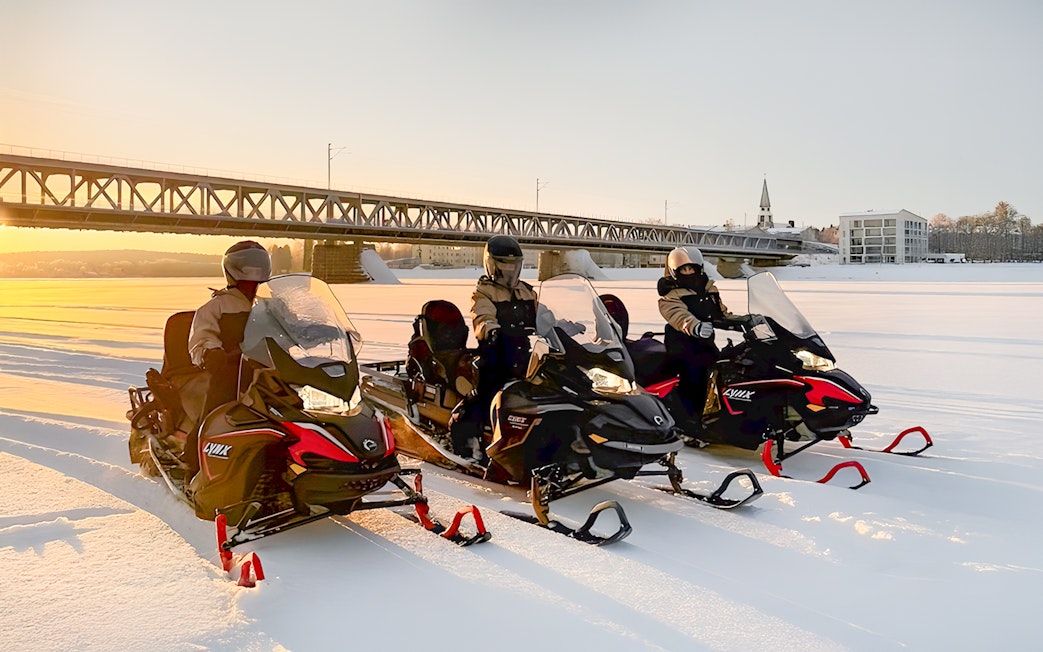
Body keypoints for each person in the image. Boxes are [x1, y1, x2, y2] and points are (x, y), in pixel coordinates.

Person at [449, 235, 537, 459]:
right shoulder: (484, 292)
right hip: (496, 353)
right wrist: (490, 329)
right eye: (503, 265)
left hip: (526, 354)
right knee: (486, 394)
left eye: (513, 266)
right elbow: (482, 315)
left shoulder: (527, 291)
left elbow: (543, 314)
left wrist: (563, 325)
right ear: (491, 264)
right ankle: (467, 444)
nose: (509, 271)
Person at [188, 240, 273, 416]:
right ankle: (197, 442)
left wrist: (317, 331)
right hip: (231, 377)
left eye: (259, 266)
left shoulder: (271, 305)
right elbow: (202, 337)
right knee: (213, 420)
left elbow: (293, 325)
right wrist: (210, 352)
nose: (255, 272)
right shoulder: (216, 307)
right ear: (234, 269)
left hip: (271, 376)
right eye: (249, 266)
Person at [657, 246, 736, 429]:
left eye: (691, 268)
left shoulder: (709, 289)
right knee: (694, 373)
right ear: (674, 272)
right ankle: (687, 420)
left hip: (705, 342)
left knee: (724, 369)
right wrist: (695, 326)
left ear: (699, 268)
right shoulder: (670, 294)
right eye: (683, 270)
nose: (688, 272)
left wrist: (745, 321)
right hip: (681, 344)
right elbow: (677, 315)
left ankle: (718, 413)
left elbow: (720, 313)